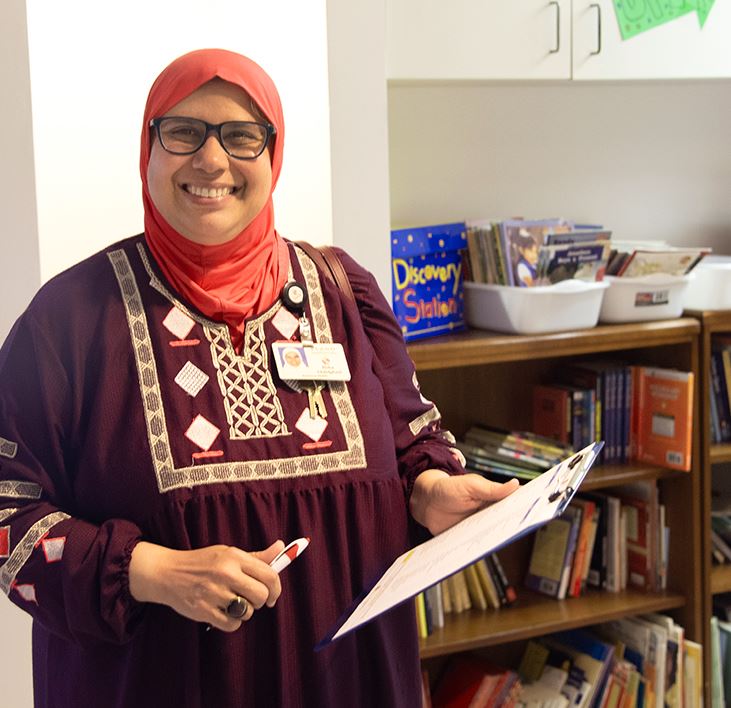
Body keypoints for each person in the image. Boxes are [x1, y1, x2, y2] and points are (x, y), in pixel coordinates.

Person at [0, 49, 518, 707]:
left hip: (351, 684)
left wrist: (431, 491)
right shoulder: (70, 320)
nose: (211, 160)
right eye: (182, 131)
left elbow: (413, 442)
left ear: (274, 153)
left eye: (241, 136)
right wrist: (149, 569)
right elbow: (7, 512)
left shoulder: (342, 292)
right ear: (148, 146)